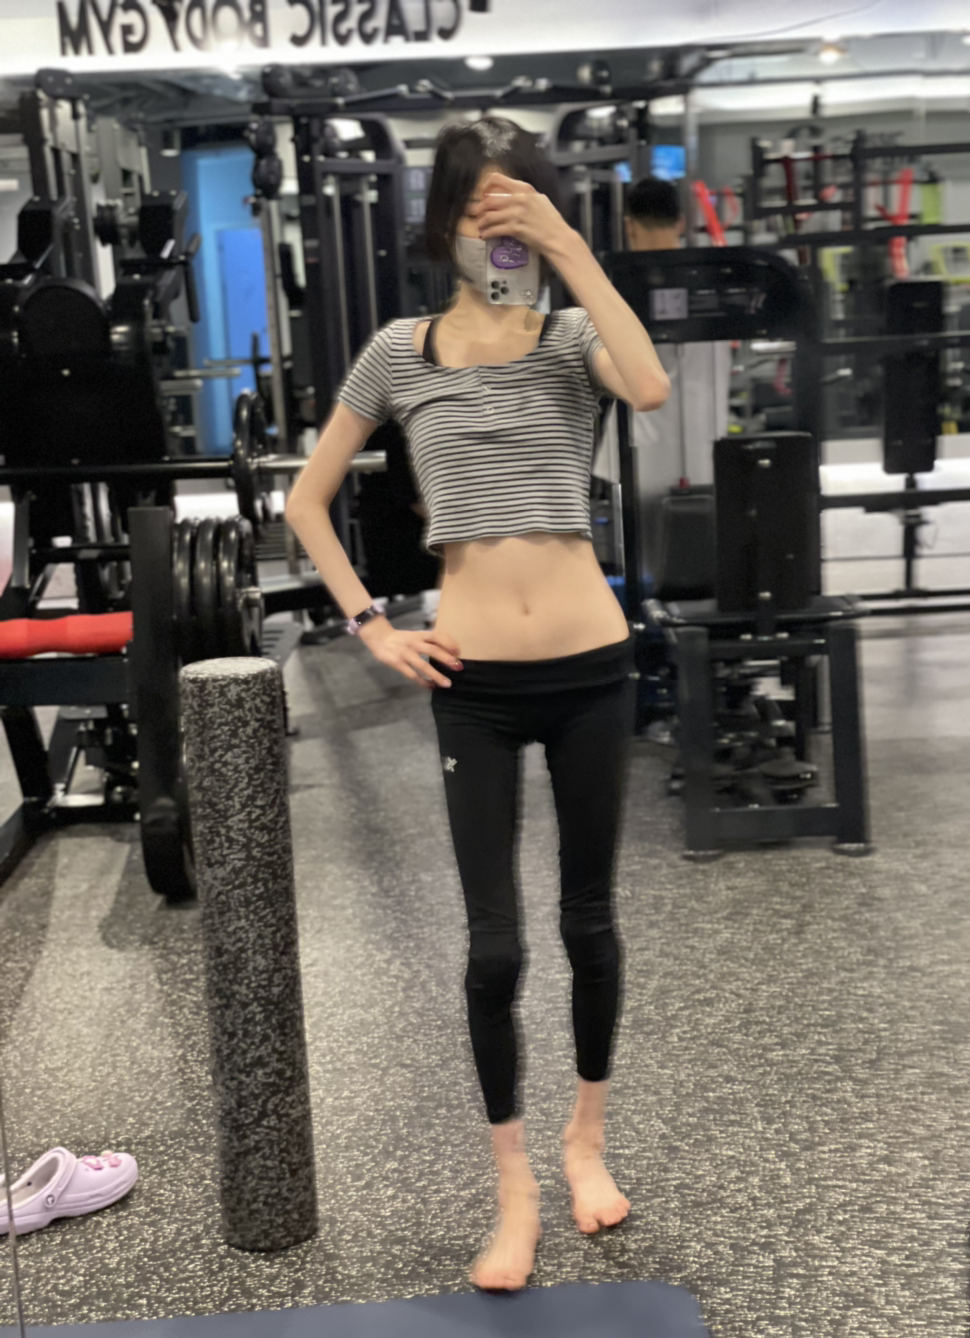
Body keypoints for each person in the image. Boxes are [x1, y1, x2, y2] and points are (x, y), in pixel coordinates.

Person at [285, 116, 669, 1294]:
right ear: (440, 224)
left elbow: (650, 386)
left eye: (514, 207)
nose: (491, 228)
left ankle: (584, 1142)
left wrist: (568, 247)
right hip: (474, 685)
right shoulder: (398, 354)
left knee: (588, 924)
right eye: (474, 208)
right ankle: (513, 1187)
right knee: (494, 946)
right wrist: (370, 626)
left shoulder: (571, 336)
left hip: (589, 666)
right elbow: (305, 502)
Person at [593, 176, 731, 590]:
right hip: (706, 448)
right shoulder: (717, 280)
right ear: (682, 221)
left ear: (629, 226)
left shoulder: (614, 288)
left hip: (641, 450)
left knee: (645, 570)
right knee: (706, 567)